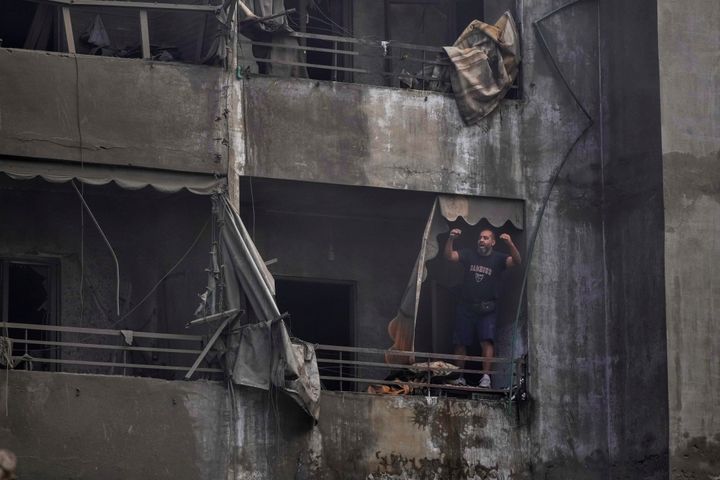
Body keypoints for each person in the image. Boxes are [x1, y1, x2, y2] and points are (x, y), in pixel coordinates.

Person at [444, 228, 521, 388]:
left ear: (492, 242)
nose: (481, 240)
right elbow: (449, 256)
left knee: (486, 341)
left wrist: (510, 243)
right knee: (460, 342)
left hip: (488, 308)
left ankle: (486, 377)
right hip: (466, 306)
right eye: (480, 237)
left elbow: (517, 261)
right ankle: (459, 376)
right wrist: (451, 239)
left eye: (486, 238)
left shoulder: (498, 258)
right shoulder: (468, 254)